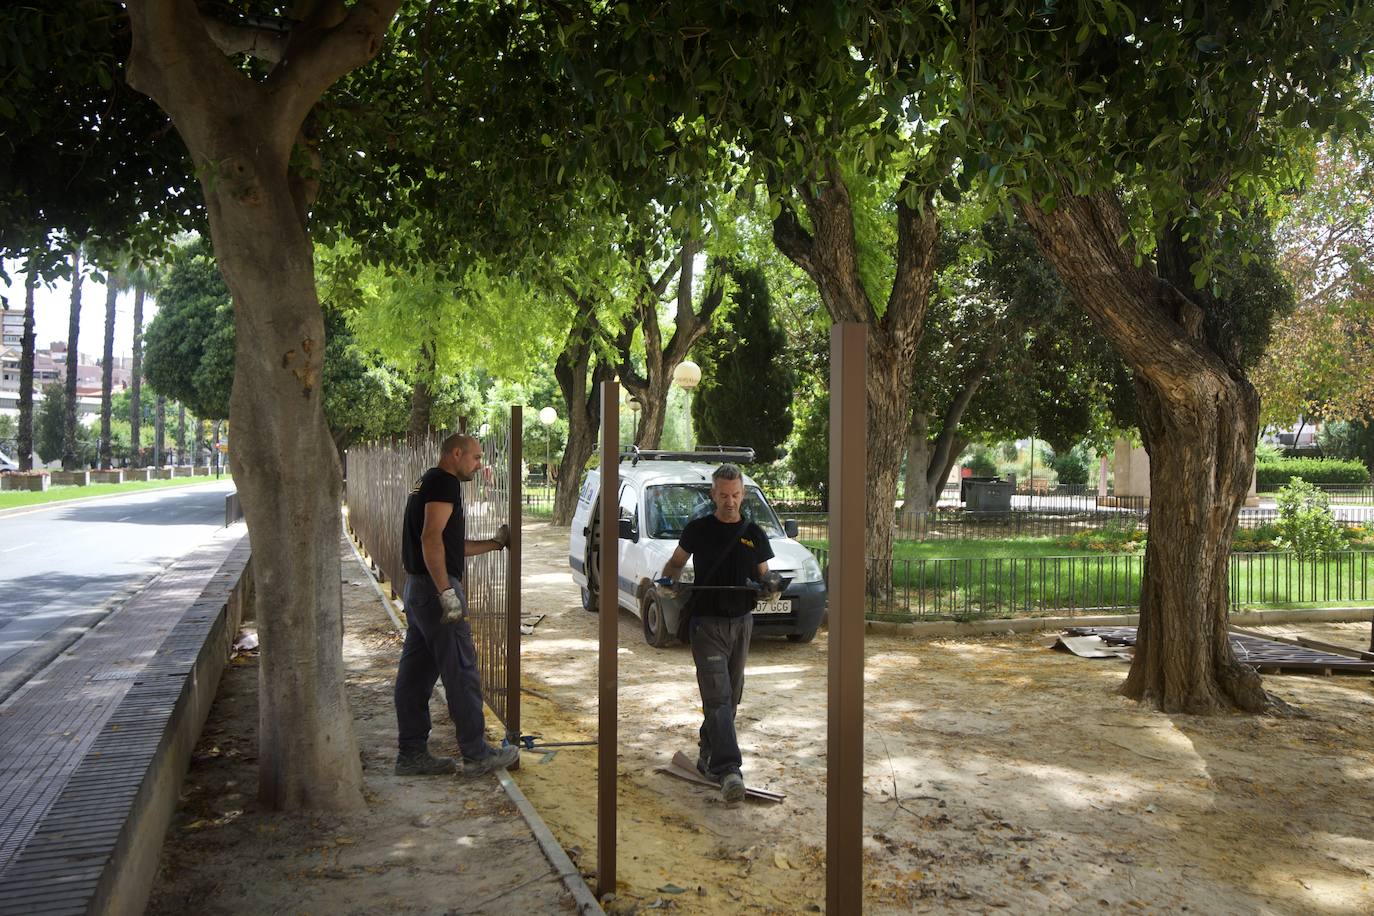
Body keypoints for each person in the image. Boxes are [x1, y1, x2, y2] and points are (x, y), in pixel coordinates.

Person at [394, 433, 517, 777]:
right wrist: (446, 591)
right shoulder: (444, 483)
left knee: (415, 676)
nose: (479, 465)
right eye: (476, 458)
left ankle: (411, 753)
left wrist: (495, 543)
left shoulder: (427, 483)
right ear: (457, 453)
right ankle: (476, 754)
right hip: (434, 590)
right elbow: (431, 539)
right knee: (461, 670)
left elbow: (449, 546)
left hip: (419, 588)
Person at [659, 463, 781, 802]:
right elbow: (676, 562)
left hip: (741, 623)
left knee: (730, 698)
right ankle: (730, 770)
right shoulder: (698, 529)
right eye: (724, 495)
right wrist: (667, 581)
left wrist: (770, 588)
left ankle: (707, 753)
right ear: (713, 494)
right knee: (717, 697)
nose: (730, 501)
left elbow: (764, 576)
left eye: (736, 495)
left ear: (743, 495)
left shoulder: (753, 532)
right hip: (706, 624)